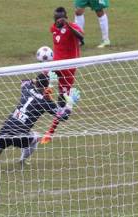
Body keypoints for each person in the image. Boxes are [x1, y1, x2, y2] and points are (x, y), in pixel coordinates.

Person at [0, 73, 79, 176]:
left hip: (7, 127)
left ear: (36, 83)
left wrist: (35, 80)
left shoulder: (27, 89)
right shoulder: (45, 102)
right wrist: (70, 104)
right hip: (20, 134)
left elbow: (24, 81)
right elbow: (63, 116)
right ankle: (22, 161)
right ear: (46, 86)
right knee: (36, 137)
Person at [41, 6, 83, 144]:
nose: (58, 21)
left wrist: (68, 26)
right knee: (42, 77)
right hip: (56, 64)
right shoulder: (52, 29)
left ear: (65, 17)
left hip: (69, 68)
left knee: (62, 101)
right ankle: (43, 95)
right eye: (56, 19)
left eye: (60, 19)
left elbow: (81, 37)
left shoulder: (73, 26)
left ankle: (50, 131)